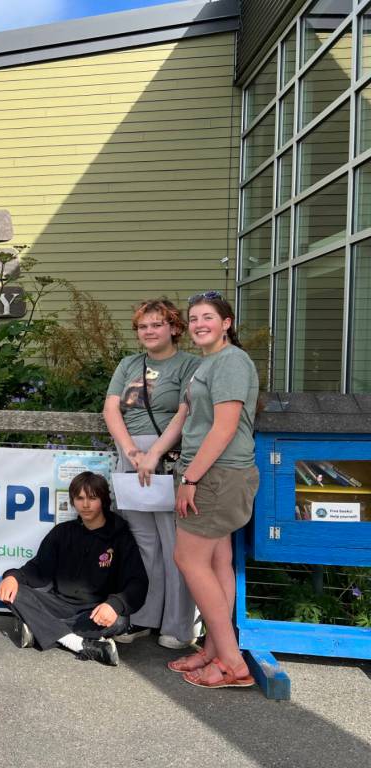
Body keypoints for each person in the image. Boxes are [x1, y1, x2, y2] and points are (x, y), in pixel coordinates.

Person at [170, 291, 259, 689]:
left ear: (226, 323)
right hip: (213, 472)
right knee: (219, 561)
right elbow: (190, 419)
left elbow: (224, 428)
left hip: (217, 475)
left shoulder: (231, 361)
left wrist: (190, 479)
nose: (199, 324)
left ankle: (233, 664)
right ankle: (214, 650)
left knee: (188, 559)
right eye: (193, 318)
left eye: (208, 317)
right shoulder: (208, 363)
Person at [103, 298, 200, 650]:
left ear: (174, 327)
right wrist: (131, 452)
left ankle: (179, 625)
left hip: (169, 460)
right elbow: (111, 408)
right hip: (131, 460)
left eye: (157, 324)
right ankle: (143, 616)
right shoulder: (128, 364)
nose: (149, 331)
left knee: (175, 544)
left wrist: (154, 453)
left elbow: (186, 412)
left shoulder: (190, 364)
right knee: (142, 543)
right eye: (143, 326)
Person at [0, 471, 148, 667]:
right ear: (73, 501)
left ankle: (38, 628)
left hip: (94, 610)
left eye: (92, 498)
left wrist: (114, 605)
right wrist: (12, 577)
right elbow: (37, 569)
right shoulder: (62, 532)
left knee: (119, 622)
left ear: (103, 500)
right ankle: (78, 643)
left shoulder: (121, 537)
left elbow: (137, 582)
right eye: (80, 498)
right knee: (10, 592)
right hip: (57, 605)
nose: (86, 504)